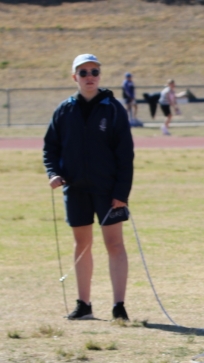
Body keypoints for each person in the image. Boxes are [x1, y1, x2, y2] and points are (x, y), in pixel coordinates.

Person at [43, 53, 134, 322]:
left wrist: (121, 193)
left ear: (99, 76)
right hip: (75, 189)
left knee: (114, 244)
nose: (90, 77)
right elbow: (51, 147)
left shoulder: (113, 109)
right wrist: (54, 173)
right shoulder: (64, 110)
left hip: (107, 190)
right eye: (83, 72)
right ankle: (84, 304)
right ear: (75, 77)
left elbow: (125, 154)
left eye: (94, 71)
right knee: (82, 244)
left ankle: (119, 306)